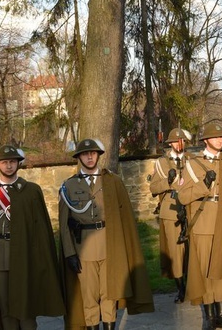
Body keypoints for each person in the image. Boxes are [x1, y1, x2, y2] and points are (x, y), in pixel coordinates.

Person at [59, 138, 154, 330]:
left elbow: (124, 216)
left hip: (109, 243)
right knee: (89, 295)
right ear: (79, 157)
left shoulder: (112, 181)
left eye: (93, 153)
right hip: (83, 247)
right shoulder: (69, 186)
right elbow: (63, 224)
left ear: (98, 156)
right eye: (85, 154)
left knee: (109, 293)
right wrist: (69, 253)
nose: (89, 157)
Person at [0, 145, 65, 330]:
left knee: (27, 307)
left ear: (18, 164)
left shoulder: (31, 191)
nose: (8, 166)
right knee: (6, 308)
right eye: (4, 162)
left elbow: (41, 229)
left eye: (12, 162)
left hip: (25, 255)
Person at [175, 122, 222, 330]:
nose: (220, 140)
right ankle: (210, 317)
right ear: (206, 140)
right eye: (216, 137)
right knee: (205, 271)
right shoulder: (192, 164)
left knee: (221, 269)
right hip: (203, 224)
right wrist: (203, 186)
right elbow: (182, 197)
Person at [149, 128, 191, 304]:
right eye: (175, 141)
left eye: (181, 141)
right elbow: (153, 188)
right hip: (171, 209)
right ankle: (180, 288)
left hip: (190, 207)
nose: (178, 144)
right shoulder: (161, 163)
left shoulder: (192, 160)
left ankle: (193, 284)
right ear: (170, 143)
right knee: (175, 250)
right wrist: (167, 180)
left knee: (192, 249)